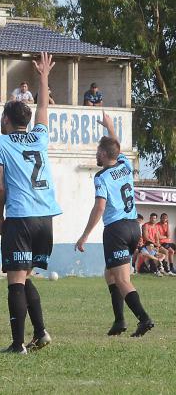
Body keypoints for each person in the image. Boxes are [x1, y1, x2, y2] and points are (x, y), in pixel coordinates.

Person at [0, 52, 59, 354]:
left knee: (15, 281)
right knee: (25, 277)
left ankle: (18, 345)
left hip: (22, 217)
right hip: (46, 217)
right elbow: (42, 107)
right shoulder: (39, 137)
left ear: (5, 119)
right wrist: (43, 76)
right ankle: (40, 333)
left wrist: (0, 216)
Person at [75, 111, 155, 337]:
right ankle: (119, 321)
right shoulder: (125, 165)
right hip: (133, 227)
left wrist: (84, 235)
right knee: (110, 275)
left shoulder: (102, 177)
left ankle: (144, 318)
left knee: (121, 279)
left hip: (117, 230)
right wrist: (110, 128)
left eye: (97, 152)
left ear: (102, 153)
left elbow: (99, 207)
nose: (96, 155)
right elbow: (116, 147)